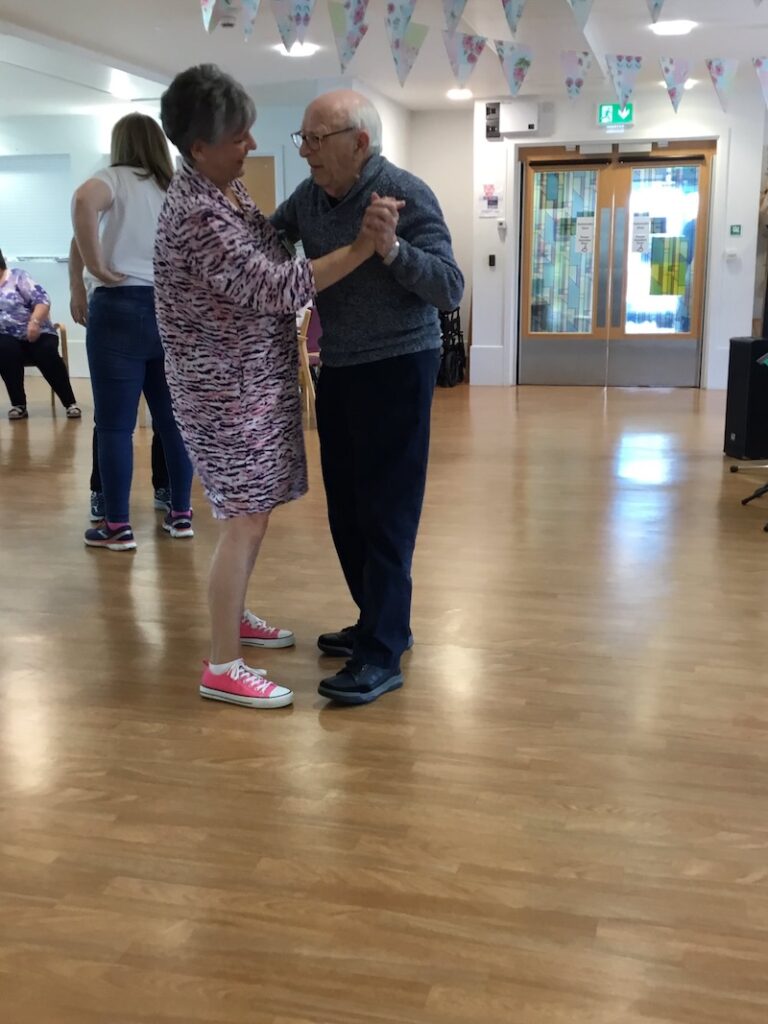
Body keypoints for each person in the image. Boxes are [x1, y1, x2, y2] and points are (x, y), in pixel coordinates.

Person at [154, 64, 394, 710]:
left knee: (251, 518)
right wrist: (363, 248)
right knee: (243, 521)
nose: (251, 145)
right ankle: (222, 663)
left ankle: (233, 619)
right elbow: (276, 285)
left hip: (246, 383)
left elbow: (268, 244)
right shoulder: (196, 213)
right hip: (221, 392)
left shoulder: (224, 190)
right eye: (238, 137)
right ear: (199, 147)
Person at [271, 89, 464, 706]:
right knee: (347, 509)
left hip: (401, 363)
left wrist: (394, 250)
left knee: (387, 508)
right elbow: (268, 240)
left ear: (359, 143)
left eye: (315, 139)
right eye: (301, 139)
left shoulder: (406, 193)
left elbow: (450, 287)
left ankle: (382, 654)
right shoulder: (308, 198)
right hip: (341, 367)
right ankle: (381, 620)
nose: (305, 153)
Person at [71, 112, 194, 552]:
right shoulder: (177, 185)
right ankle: (181, 514)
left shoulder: (113, 179)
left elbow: (84, 202)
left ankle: (117, 526)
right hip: (170, 311)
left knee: (115, 427)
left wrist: (96, 269)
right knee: (173, 423)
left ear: (120, 142)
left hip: (120, 309)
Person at [69, 263, 171, 521]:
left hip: (163, 304)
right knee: (110, 419)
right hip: (111, 304)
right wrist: (77, 287)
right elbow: (77, 238)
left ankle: (165, 486)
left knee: (166, 416)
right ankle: (102, 490)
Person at [0, 249, 81, 420]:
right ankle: (19, 405)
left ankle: (70, 403)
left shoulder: (17, 276)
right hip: (6, 338)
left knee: (45, 352)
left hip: (37, 331)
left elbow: (42, 301)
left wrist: (34, 322)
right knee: (4, 349)